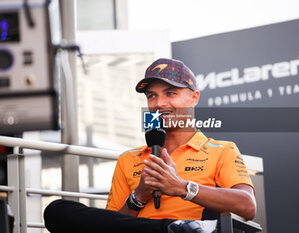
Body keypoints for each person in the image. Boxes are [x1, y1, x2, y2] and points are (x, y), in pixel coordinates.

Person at [44, 58, 256, 233]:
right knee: (56, 210)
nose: (159, 103)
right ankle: (172, 229)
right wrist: (139, 196)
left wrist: (181, 187)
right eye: (152, 96)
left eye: (170, 93)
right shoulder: (129, 159)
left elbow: (247, 206)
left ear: (194, 98)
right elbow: (112, 225)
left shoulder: (222, 150)